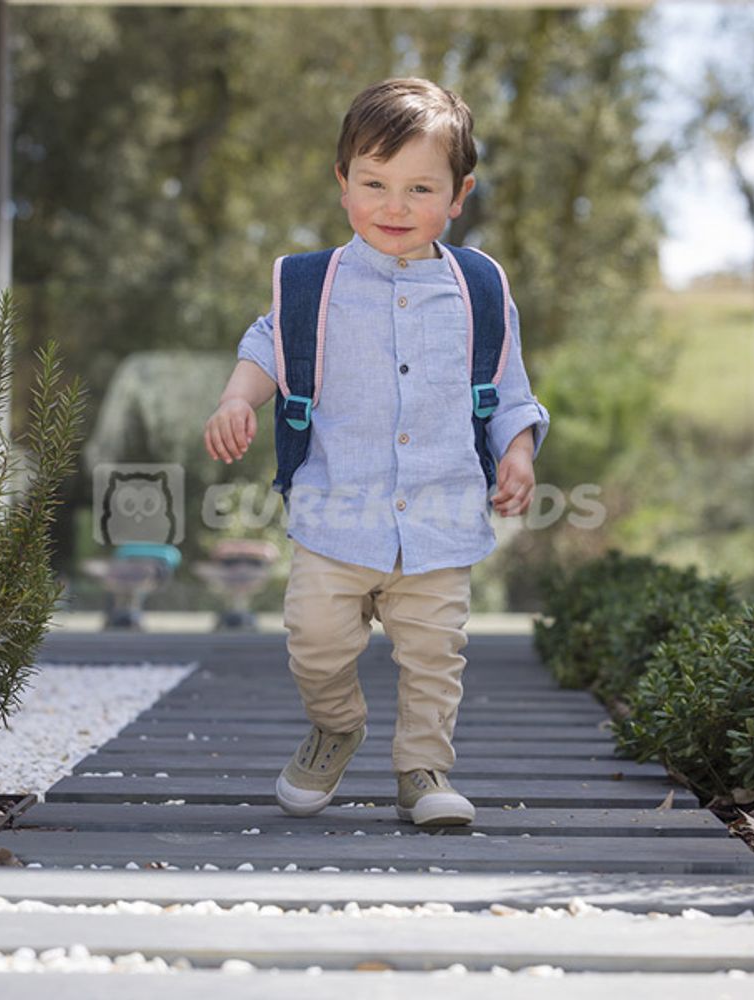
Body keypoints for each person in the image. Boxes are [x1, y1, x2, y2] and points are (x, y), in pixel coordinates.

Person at [203, 77, 549, 827]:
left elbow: (506, 387)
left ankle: (423, 770)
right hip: (336, 516)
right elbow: (267, 349)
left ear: (459, 195)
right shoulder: (310, 284)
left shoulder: (479, 287)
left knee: (435, 659)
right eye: (375, 183)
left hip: (438, 519)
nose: (395, 207)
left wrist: (517, 451)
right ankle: (336, 724)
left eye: (421, 188)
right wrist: (238, 399)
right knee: (315, 642)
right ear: (343, 184)